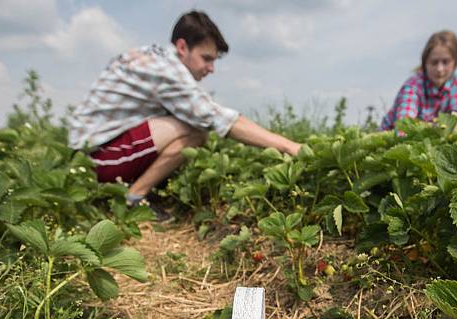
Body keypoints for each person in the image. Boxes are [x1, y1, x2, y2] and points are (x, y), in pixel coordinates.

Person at [68, 11, 302, 208]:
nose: (211, 68)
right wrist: (289, 147)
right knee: (195, 131)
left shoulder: (152, 55)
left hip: (86, 154)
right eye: (206, 58)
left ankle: (139, 191)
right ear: (182, 47)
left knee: (183, 120)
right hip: (96, 162)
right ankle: (134, 198)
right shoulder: (168, 72)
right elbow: (220, 119)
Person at [381, 30, 457, 133]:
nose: (440, 69)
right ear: (425, 63)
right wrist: (437, 127)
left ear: (455, 63)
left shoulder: (453, 82)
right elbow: (403, 128)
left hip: (429, 134)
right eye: (434, 62)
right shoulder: (413, 86)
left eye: (445, 62)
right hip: (396, 140)